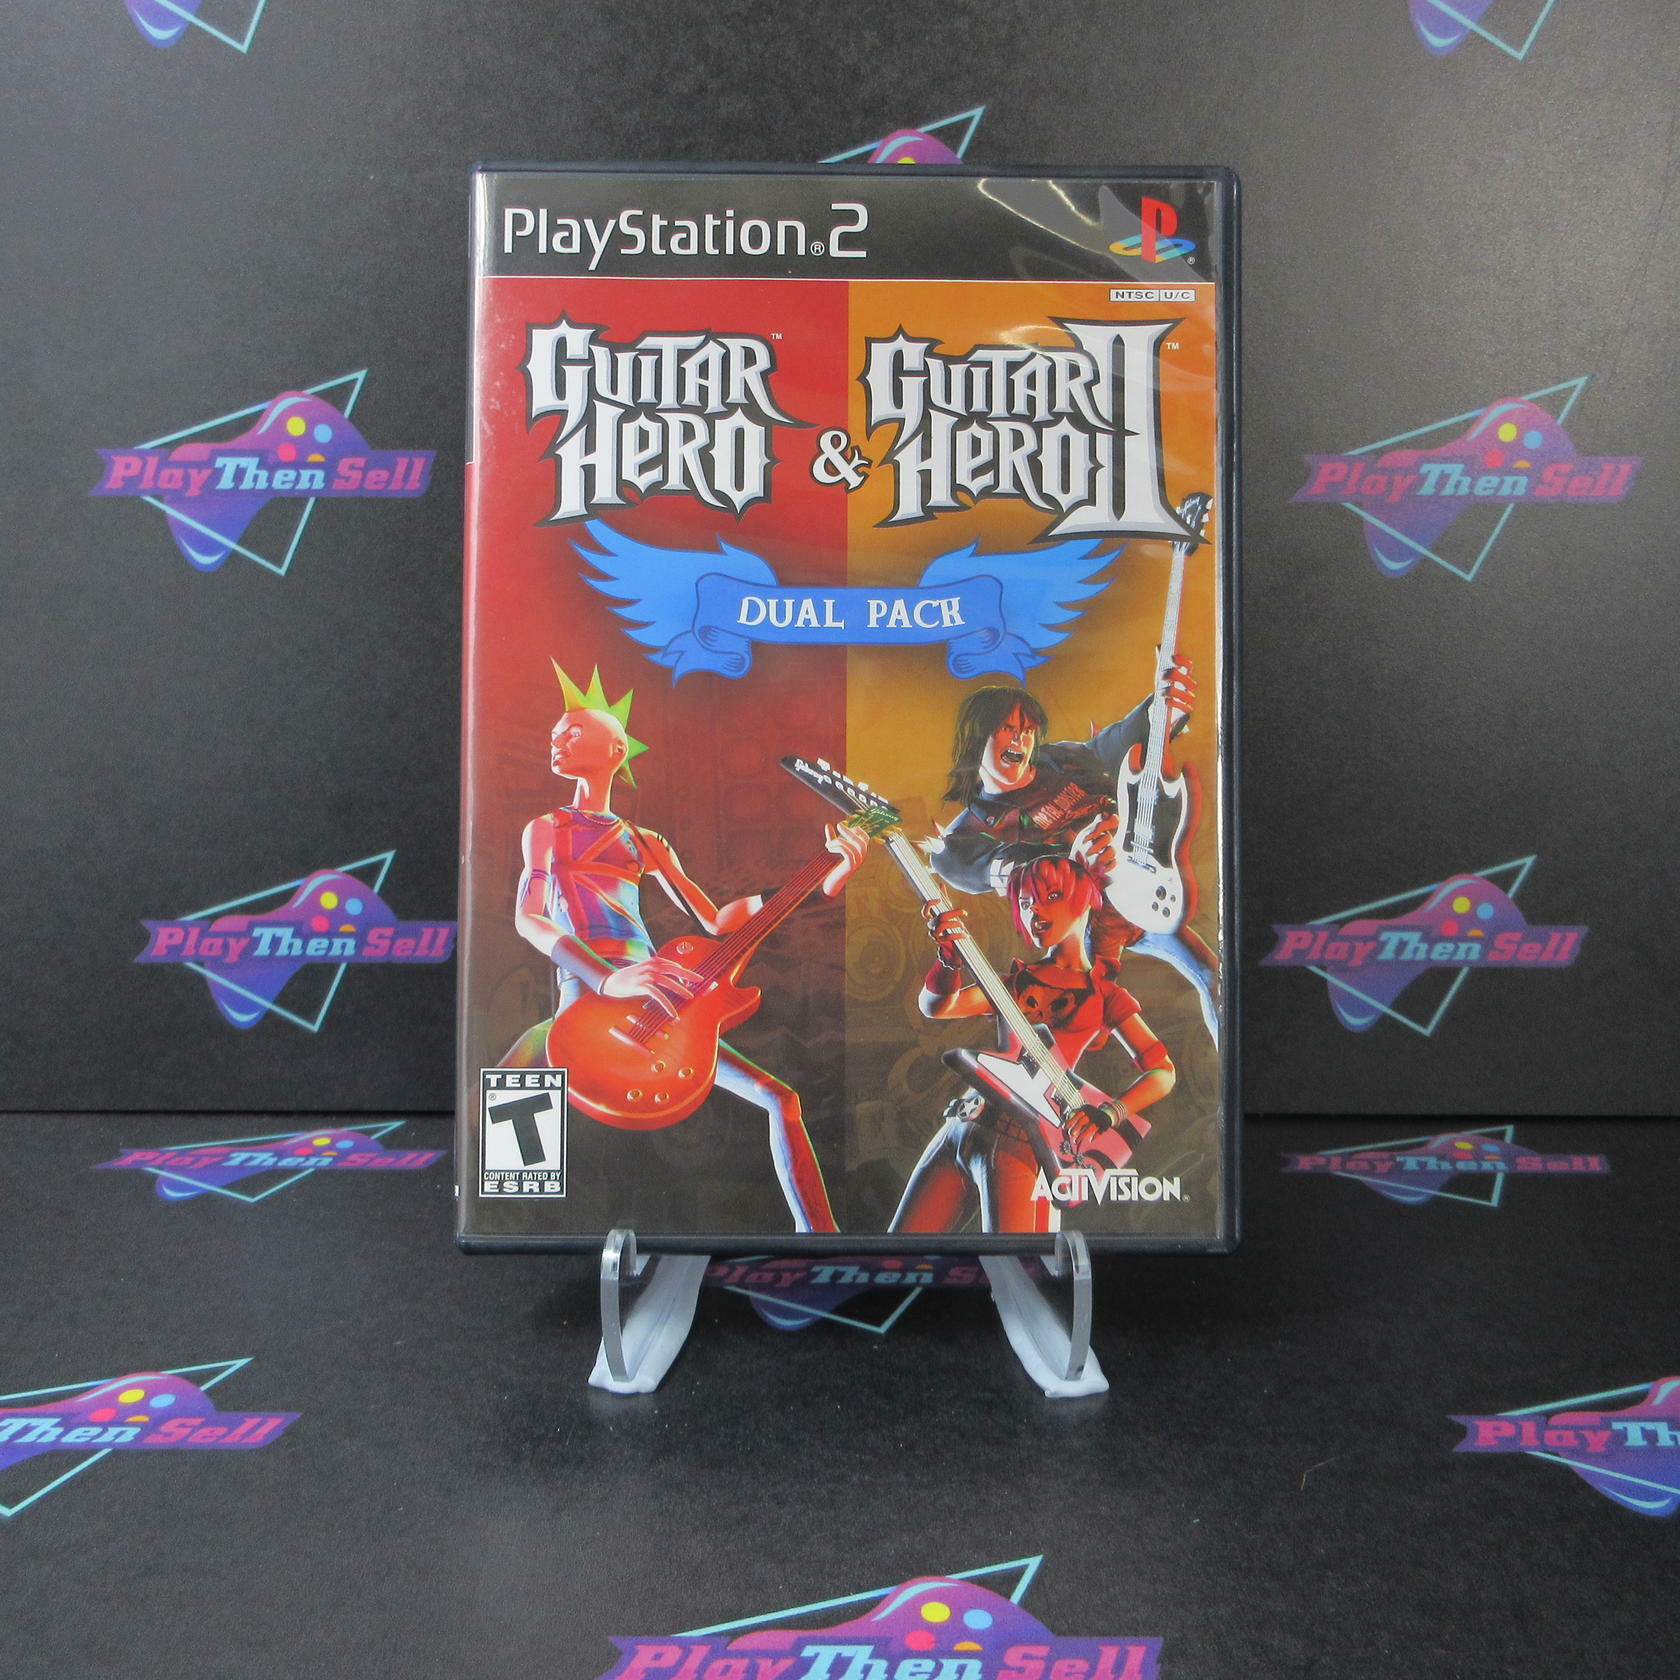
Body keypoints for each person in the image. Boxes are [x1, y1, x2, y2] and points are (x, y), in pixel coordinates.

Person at [499, 665, 866, 1233]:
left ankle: (820, 1236)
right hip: (591, 990)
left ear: (616, 749)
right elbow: (529, 918)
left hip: (663, 997)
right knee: (514, 1071)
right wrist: (605, 978)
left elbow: (716, 919)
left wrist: (824, 879)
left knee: (781, 1099)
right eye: (554, 733)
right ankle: (504, 1214)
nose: (557, 739)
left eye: (572, 731)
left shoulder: (646, 842)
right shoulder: (547, 828)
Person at [927, 672, 1221, 1041]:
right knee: (1086, 1022)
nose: (1021, 738)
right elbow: (1004, 870)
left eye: (1028, 730)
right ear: (977, 738)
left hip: (1140, 889)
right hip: (1082, 925)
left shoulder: (1058, 761)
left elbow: (1113, 743)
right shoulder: (966, 836)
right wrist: (1071, 864)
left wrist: (1162, 710)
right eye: (1008, 728)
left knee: (1214, 976)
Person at [891, 855, 1175, 1235]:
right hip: (961, 1126)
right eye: (1025, 903)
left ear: (1085, 899)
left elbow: (1163, 1072)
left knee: (1021, 1264)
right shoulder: (1015, 982)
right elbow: (938, 1007)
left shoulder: (1105, 995)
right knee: (896, 1255)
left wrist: (1109, 1114)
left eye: (1050, 896)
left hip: (1024, 1144)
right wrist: (948, 960)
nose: (1034, 912)